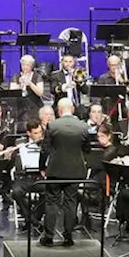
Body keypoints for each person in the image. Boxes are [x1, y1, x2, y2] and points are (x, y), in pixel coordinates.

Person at [40, 98, 89, 246]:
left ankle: (48, 236)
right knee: (71, 202)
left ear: (59, 111)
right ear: (72, 109)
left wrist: (42, 167)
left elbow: (45, 149)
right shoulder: (83, 127)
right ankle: (68, 237)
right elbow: (87, 149)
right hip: (75, 170)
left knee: (52, 202)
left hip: (55, 170)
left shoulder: (52, 125)